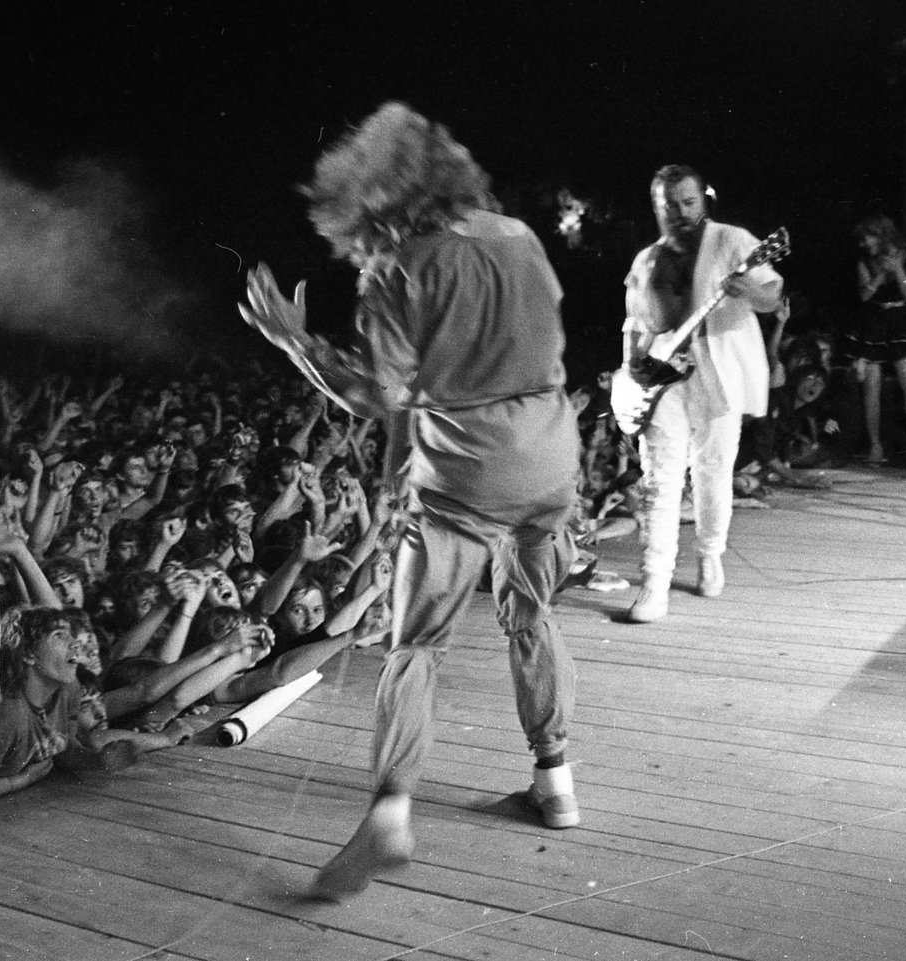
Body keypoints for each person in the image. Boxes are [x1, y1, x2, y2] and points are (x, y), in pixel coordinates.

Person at [237, 101, 581, 900]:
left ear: (371, 197)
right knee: (533, 614)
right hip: (551, 451)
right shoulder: (520, 236)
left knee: (416, 645)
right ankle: (556, 779)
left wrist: (295, 339)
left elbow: (376, 392)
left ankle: (391, 811)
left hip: (465, 473)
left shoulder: (399, 269)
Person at [621, 165, 784, 623]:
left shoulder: (732, 241)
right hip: (662, 377)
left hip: (718, 373)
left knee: (712, 470)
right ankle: (654, 583)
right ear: (656, 207)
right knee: (660, 478)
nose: (679, 213)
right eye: (668, 205)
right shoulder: (647, 259)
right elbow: (634, 320)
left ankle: (710, 553)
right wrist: (631, 361)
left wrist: (750, 287)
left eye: (688, 202)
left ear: (703, 200)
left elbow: (772, 294)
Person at [847, 215, 906, 470]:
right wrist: (880, 274)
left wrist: (896, 269)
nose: (863, 243)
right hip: (874, 320)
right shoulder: (865, 260)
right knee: (872, 388)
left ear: (883, 235)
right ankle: (875, 445)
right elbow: (863, 295)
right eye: (861, 239)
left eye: (867, 237)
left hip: (901, 319)